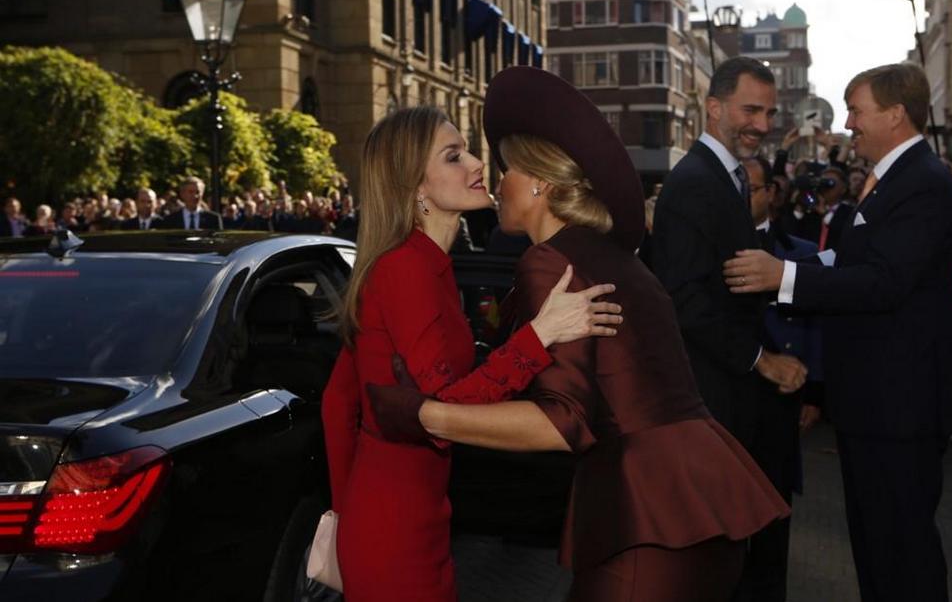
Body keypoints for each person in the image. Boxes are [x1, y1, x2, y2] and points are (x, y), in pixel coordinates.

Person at [366, 68, 789, 602]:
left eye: (506, 170)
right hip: (699, 505)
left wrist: (423, 413)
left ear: (539, 181)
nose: (494, 180)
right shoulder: (602, 252)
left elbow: (561, 420)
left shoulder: (550, 262)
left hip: (650, 516)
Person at [321, 105, 624, 602]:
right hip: (395, 528)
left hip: (410, 515)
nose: (477, 164)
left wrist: (344, 512)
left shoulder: (424, 266)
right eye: (454, 156)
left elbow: (338, 401)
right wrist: (540, 333)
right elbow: (447, 405)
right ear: (416, 186)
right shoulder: (406, 270)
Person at [723, 63, 952, 602]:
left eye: (857, 110)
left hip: (898, 407)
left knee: (902, 552)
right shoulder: (894, 181)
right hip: (875, 405)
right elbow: (848, 257)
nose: (849, 123)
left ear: (896, 114)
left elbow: (885, 281)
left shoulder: (922, 182)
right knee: (878, 546)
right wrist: (788, 265)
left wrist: (782, 276)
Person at [651, 56, 808, 449]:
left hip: (727, 390)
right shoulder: (695, 181)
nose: (764, 125)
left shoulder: (725, 176)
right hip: (710, 395)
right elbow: (685, 298)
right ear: (714, 108)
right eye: (751, 110)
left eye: (769, 113)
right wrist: (762, 360)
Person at [737, 156, 824, 602]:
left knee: (773, 519)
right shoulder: (708, 252)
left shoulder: (800, 253)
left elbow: (815, 326)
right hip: (727, 398)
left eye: (750, 188)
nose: (741, 197)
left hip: (780, 399)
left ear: (770, 191)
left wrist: (815, 393)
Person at [158, 176, 223, 230]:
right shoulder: (170, 220)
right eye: (191, 192)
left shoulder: (213, 219)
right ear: (182, 194)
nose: (195, 196)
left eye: (198, 192)